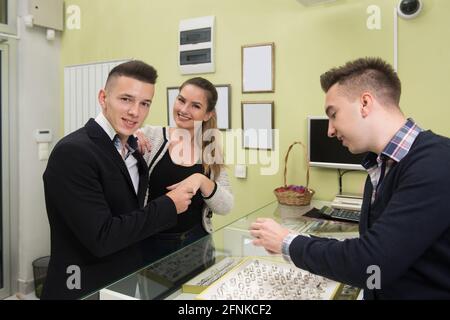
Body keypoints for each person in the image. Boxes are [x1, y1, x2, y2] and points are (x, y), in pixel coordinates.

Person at [250, 57, 450, 299]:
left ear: (365, 103)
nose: (330, 130)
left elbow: (371, 264)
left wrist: (288, 242)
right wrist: (290, 241)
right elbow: (372, 249)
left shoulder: (437, 163)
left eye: (333, 115)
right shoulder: (379, 167)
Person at [42, 60, 194, 300]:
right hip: (81, 286)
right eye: (126, 99)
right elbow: (101, 237)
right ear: (103, 98)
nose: (135, 112)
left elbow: (129, 212)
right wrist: (169, 205)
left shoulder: (134, 148)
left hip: (122, 282)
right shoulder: (72, 152)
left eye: (144, 103)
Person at [135, 77, 233, 265]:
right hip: (153, 243)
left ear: (207, 114)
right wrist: (129, 138)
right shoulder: (149, 136)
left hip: (198, 242)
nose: (184, 110)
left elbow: (226, 206)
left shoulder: (210, 151)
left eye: (195, 106)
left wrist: (202, 180)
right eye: (181, 100)